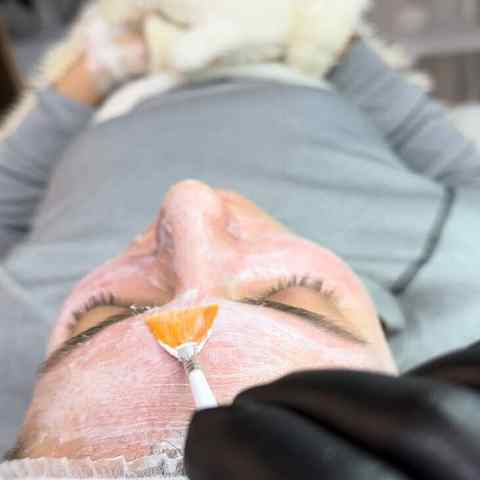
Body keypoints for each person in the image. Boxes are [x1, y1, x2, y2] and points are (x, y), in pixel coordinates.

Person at [0, 4, 479, 478]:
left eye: (109, 315)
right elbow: (458, 168)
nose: (189, 200)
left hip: (107, 87)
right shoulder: (458, 284)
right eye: (285, 298)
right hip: (303, 67)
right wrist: (324, 41)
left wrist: (96, 66)